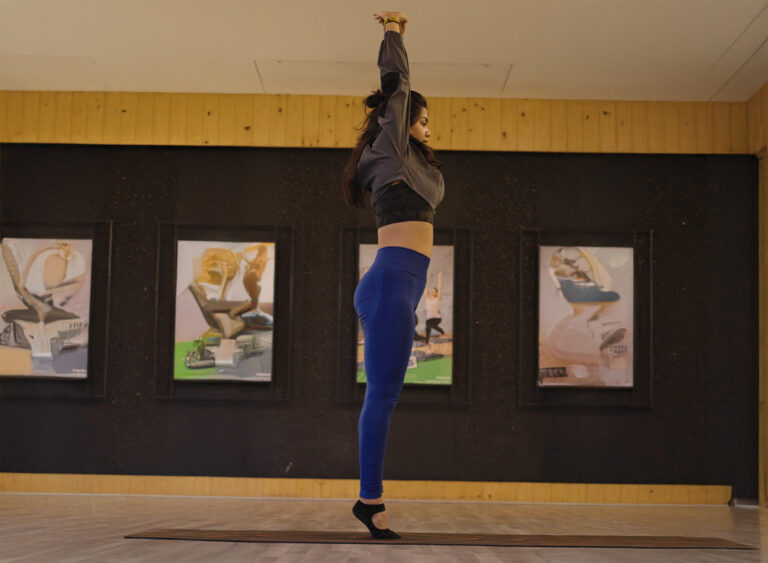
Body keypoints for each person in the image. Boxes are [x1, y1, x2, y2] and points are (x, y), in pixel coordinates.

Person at [341, 10, 445, 540]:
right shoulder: (393, 147)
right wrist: (393, 34)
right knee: (382, 396)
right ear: (401, 122)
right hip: (389, 283)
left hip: (400, 286)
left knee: (386, 394)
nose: (431, 128)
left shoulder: (416, 162)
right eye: (423, 120)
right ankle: (369, 498)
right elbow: (396, 86)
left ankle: (369, 496)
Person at [423, 271, 445, 352]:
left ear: (436, 293)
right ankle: (441, 330)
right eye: (431, 290)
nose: (431, 291)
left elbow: (440, 288)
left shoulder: (437, 299)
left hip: (436, 318)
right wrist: (426, 277)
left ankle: (428, 346)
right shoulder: (427, 298)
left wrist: (439, 278)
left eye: (433, 291)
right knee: (429, 327)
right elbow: (425, 287)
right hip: (429, 319)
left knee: (428, 328)